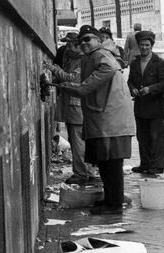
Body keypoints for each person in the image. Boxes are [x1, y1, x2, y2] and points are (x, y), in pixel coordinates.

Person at [57, 25, 135, 214]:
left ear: (98, 40)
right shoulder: (92, 56)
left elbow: (106, 70)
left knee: (112, 164)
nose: (84, 43)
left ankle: (114, 204)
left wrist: (82, 86)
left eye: (88, 39)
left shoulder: (100, 54)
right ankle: (110, 199)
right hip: (104, 120)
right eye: (81, 41)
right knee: (105, 164)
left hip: (111, 121)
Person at [45, 32, 98, 184]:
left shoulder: (83, 61)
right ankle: (84, 171)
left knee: (78, 143)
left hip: (77, 107)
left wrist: (54, 69)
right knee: (77, 142)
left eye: (69, 45)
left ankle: (82, 173)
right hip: (71, 107)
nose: (67, 48)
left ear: (78, 45)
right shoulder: (72, 59)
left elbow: (70, 79)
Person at [128, 31, 164, 175]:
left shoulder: (160, 63)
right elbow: (130, 81)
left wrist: (150, 89)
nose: (144, 48)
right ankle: (145, 163)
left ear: (151, 46)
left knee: (156, 137)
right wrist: (132, 89)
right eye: (142, 45)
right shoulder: (134, 63)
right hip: (140, 107)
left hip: (155, 107)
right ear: (138, 46)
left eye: (147, 45)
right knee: (142, 137)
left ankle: (157, 165)